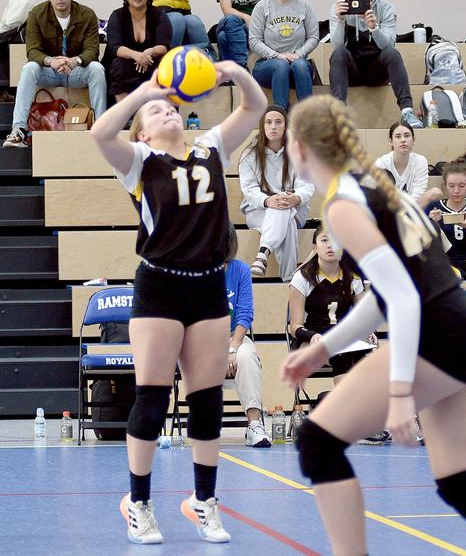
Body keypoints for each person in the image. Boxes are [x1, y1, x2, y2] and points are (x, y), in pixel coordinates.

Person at [279, 95, 466, 556]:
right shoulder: (376, 186)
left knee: (318, 442)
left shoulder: (345, 204)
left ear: (299, 149)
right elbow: (390, 292)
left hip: (438, 335)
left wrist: (400, 394)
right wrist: (325, 348)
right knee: (461, 483)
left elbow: (401, 297)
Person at [90, 54, 265, 543]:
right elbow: (100, 135)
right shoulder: (139, 162)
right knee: (150, 397)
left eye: (170, 107)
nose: (166, 111)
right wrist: (145, 93)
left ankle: (203, 501)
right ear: (142, 132)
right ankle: (138, 503)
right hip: (160, 284)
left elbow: (255, 108)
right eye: (155, 113)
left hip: (209, 284)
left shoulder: (210, 146)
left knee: (206, 401)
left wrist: (235, 74)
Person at [288, 227, 388, 445]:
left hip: (344, 338)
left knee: (365, 352)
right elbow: (294, 326)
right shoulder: (302, 278)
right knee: (343, 352)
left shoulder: (351, 276)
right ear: (315, 246)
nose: (330, 245)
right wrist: (312, 336)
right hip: (311, 340)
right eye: (324, 240)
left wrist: (369, 331)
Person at [4, 0, 106, 148]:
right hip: (50, 71)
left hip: (75, 71)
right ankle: (18, 130)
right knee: (29, 68)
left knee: (96, 68)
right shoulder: (37, 14)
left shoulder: (87, 15)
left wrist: (74, 61)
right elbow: (32, 50)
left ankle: (101, 128)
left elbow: (92, 51)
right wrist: (51, 61)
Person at [328, 0, 423, 128]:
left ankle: (407, 111)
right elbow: (336, 46)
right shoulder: (339, 7)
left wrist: (374, 28)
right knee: (338, 53)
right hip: (351, 72)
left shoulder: (386, 8)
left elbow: (389, 45)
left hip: (377, 72)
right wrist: (341, 21)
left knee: (392, 53)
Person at [240, 105, 314, 281]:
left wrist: (296, 198)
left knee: (284, 208)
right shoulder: (250, 155)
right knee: (285, 220)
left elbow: (307, 186)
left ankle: (263, 253)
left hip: (295, 208)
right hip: (258, 211)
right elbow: (249, 190)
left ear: (285, 126)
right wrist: (268, 201)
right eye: (269, 122)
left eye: (278, 122)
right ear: (262, 126)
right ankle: (289, 279)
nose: (273, 126)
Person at [223, 225, 270, 448]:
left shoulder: (240, 270)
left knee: (247, 356)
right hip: (203, 339)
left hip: (235, 337)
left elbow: (245, 313)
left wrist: (232, 348)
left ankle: (254, 424)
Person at [249, 0, 319, 111]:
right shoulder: (262, 6)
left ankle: (309, 116)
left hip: (297, 64)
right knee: (281, 65)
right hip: (268, 65)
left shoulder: (304, 5)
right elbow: (254, 41)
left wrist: (299, 54)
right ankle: (281, 114)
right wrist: (276, 55)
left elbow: (313, 37)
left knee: (300, 65)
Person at [103, 0, 171, 103]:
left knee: (167, 64)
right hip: (124, 60)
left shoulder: (159, 14)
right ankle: (126, 114)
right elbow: (115, 47)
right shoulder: (117, 15)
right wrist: (136, 55)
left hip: (151, 59)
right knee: (119, 64)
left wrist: (149, 52)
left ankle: (163, 114)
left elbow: (164, 45)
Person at [215, 0, 272, 70]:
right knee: (231, 19)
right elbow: (226, 10)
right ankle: (242, 65)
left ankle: (226, 72)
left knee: (223, 37)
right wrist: (246, 17)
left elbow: (265, 9)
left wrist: (253, 21)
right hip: (231, 23)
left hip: (254, 25)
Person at [374, 121, 429, 204]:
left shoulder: (420, 161)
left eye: (407, 136)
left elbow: (419, 193)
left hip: (412, 209)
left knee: (435, 193)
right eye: (398, 136)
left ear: (413, 140)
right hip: (388, 211)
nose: (403, 140)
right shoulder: (381, 164)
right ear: (391, 141)